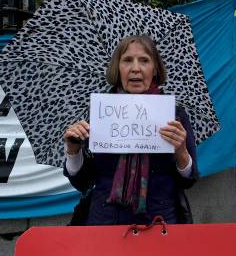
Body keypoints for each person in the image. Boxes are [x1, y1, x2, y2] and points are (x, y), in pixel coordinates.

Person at [62, 35, 199, 225]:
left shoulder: (174, 114)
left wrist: (181, 151)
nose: (136, 68)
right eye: (127, 60)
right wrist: (73, 151)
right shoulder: (100, 112)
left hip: (159, 225)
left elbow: (188, 180)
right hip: (104, 224)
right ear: (118, 68)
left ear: (155, 69)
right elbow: (82, 183)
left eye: (144, 60)